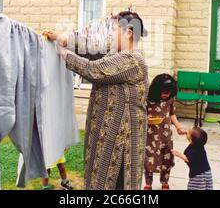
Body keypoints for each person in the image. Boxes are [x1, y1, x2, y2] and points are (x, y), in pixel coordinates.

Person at [43, 11, 149, 190]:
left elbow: (94, 69)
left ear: (128, 33)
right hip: (108, 137)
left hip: (121, 143)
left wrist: (63, 53)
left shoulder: (132, 59)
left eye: (114, 30)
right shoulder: (116, 54)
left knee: (115, 185)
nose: (110, 34)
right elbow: (91, 49)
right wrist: (61, 38)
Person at [144, 74, 186, 190]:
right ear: (156, 90)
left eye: (169, 93)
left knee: (166, 158)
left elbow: (172, 114)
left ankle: (164, 182)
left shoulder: (170, 99)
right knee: (149, 159)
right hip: (150, 135)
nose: (167, 95)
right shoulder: (148, 99)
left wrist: (178, 126)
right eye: (164, 92)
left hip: (166, 135)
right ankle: (148, 183)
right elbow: (142, 113)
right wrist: (145, 119)